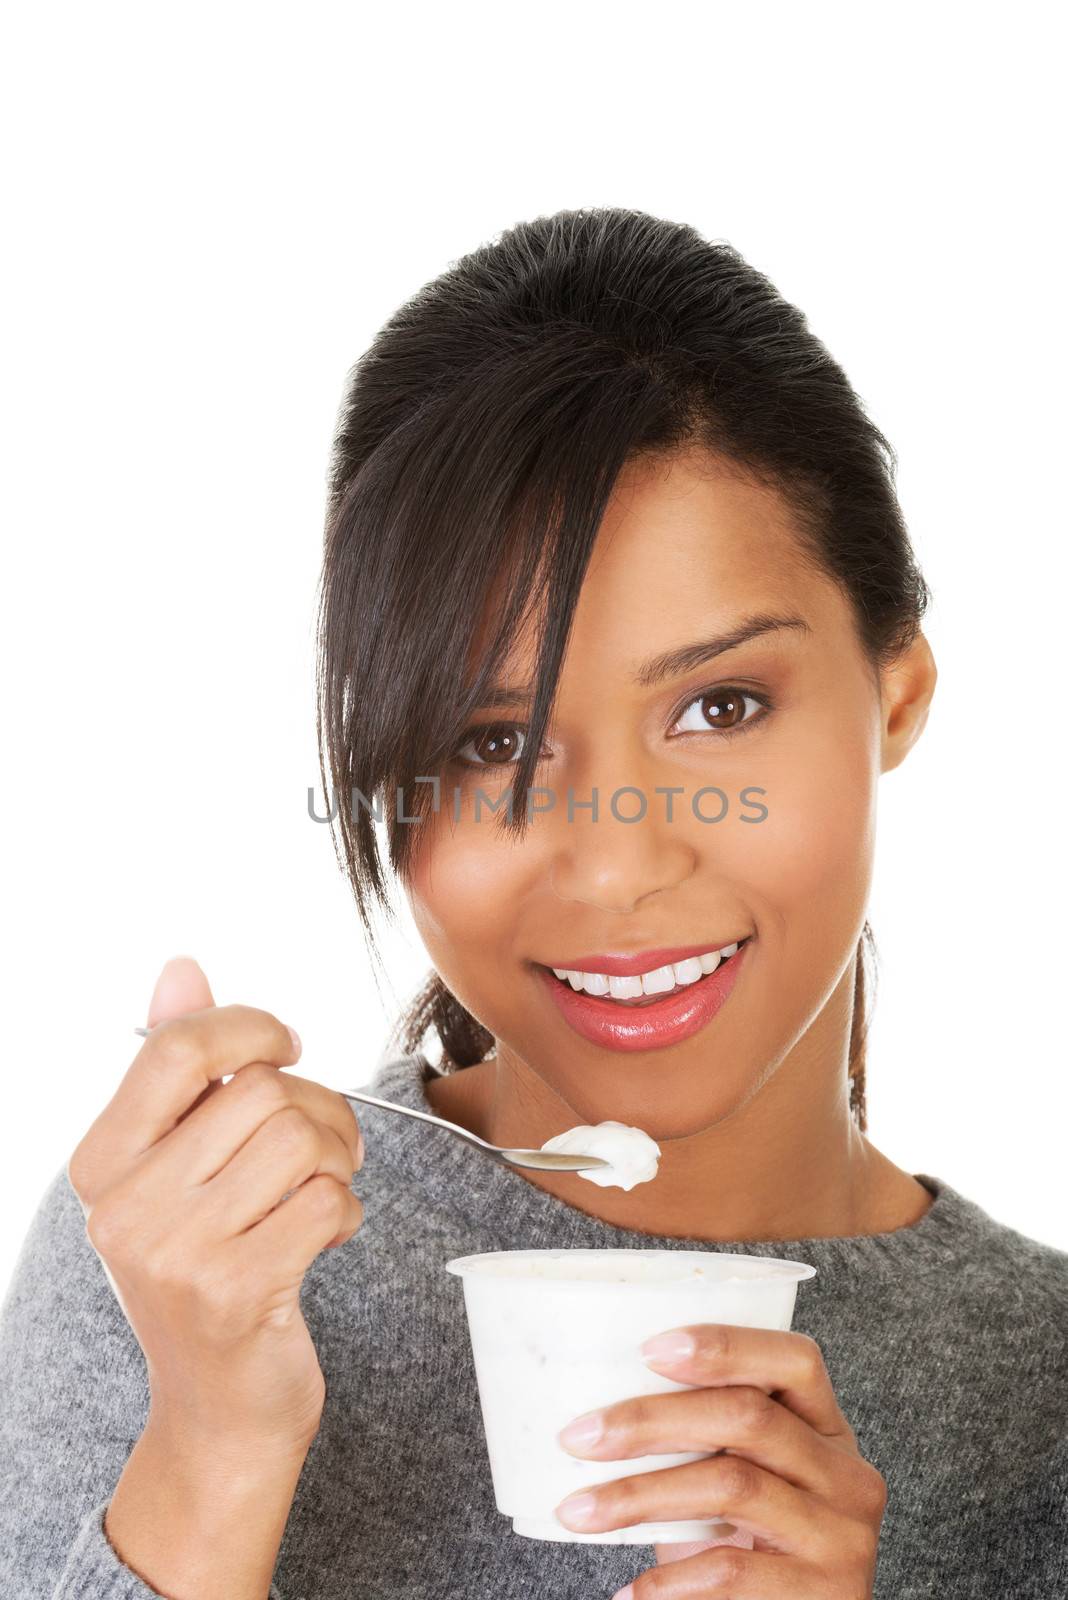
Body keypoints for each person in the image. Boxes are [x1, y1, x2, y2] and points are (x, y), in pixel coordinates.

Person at [1, 207, 1065, 1600]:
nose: (615, 867)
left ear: (898, 695)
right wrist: (208, 1456)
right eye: (488, 744)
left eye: (720, 705)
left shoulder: (1038, 1400)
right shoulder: (187, 1287)